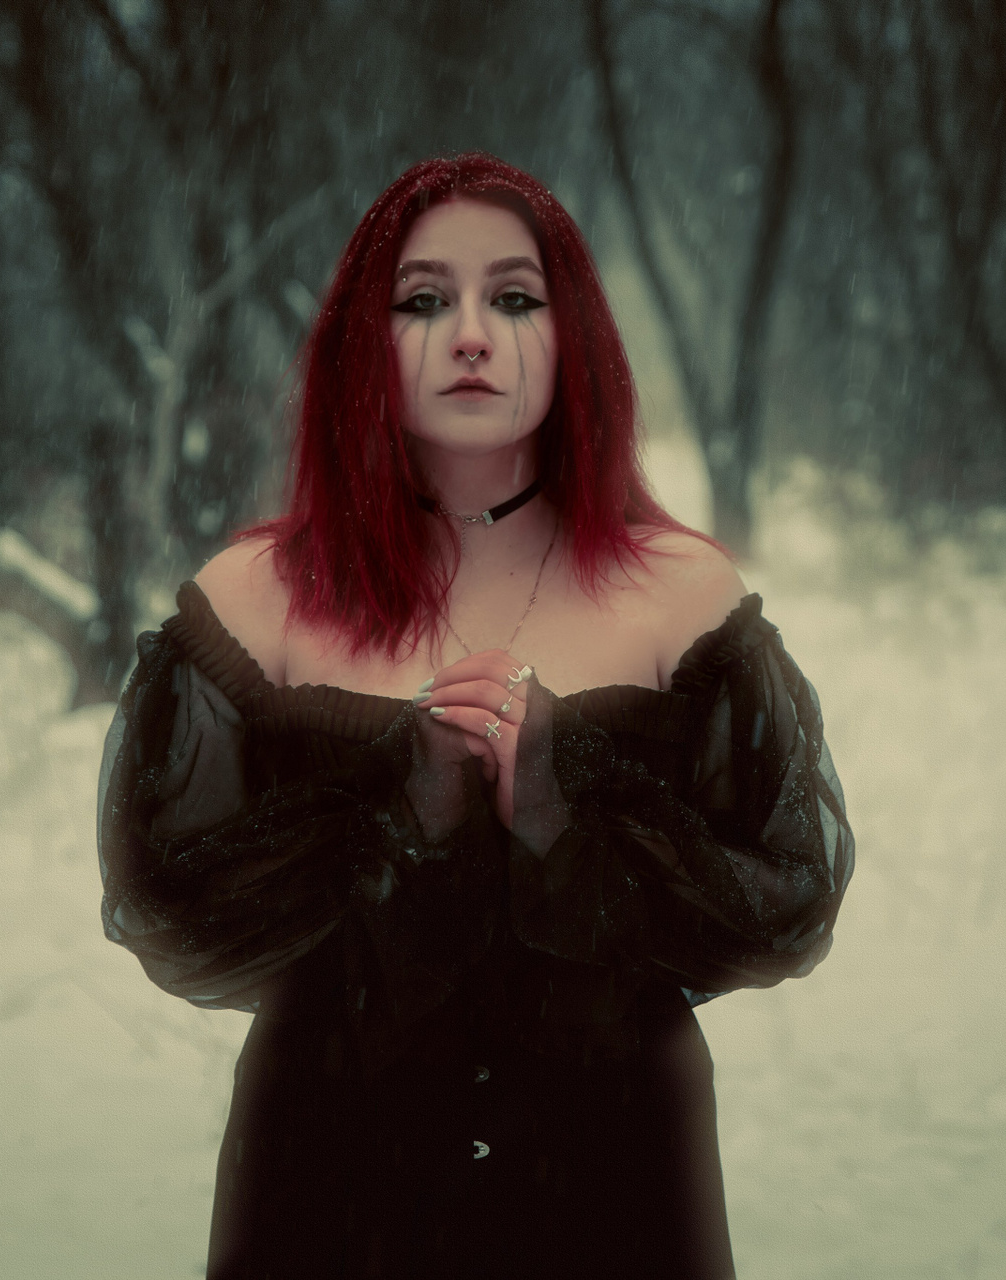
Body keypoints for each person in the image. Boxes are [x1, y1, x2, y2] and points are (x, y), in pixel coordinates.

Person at [96, 153, 854, 1280]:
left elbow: (783, 902)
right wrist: (394, 819)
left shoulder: (681, 596)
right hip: (329, 1185)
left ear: (572, 335)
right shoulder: (255, 600)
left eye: (513, 297)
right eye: (421, 300)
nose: (468, 336)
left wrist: (566, 813)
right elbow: (170, 910)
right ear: (364, 341)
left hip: (613, 1189)